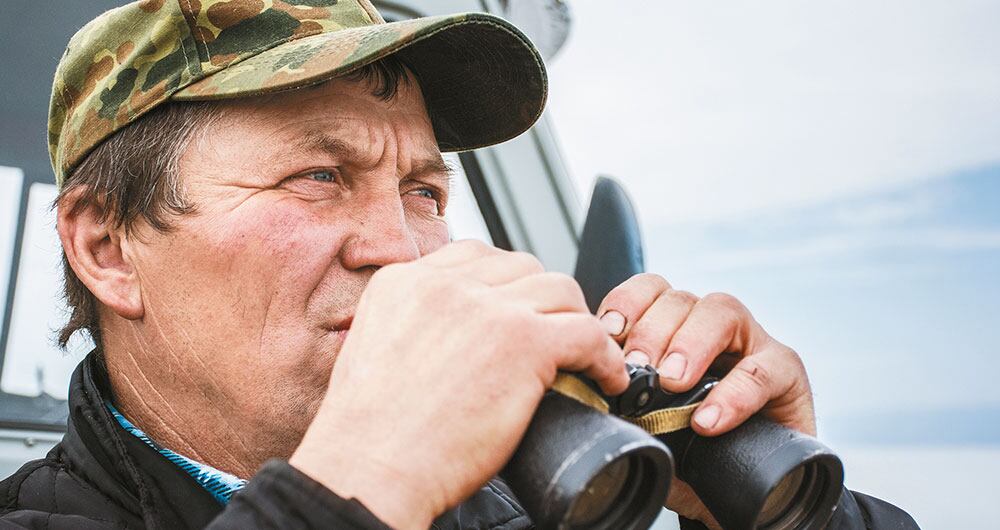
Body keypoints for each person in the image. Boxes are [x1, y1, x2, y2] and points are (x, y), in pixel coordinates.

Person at [0, 1, 918, 528]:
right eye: (319, 176)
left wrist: (795, 509)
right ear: (108, 249)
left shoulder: (536, 493)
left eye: (424, 192)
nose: (402, 250)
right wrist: (363, 487)